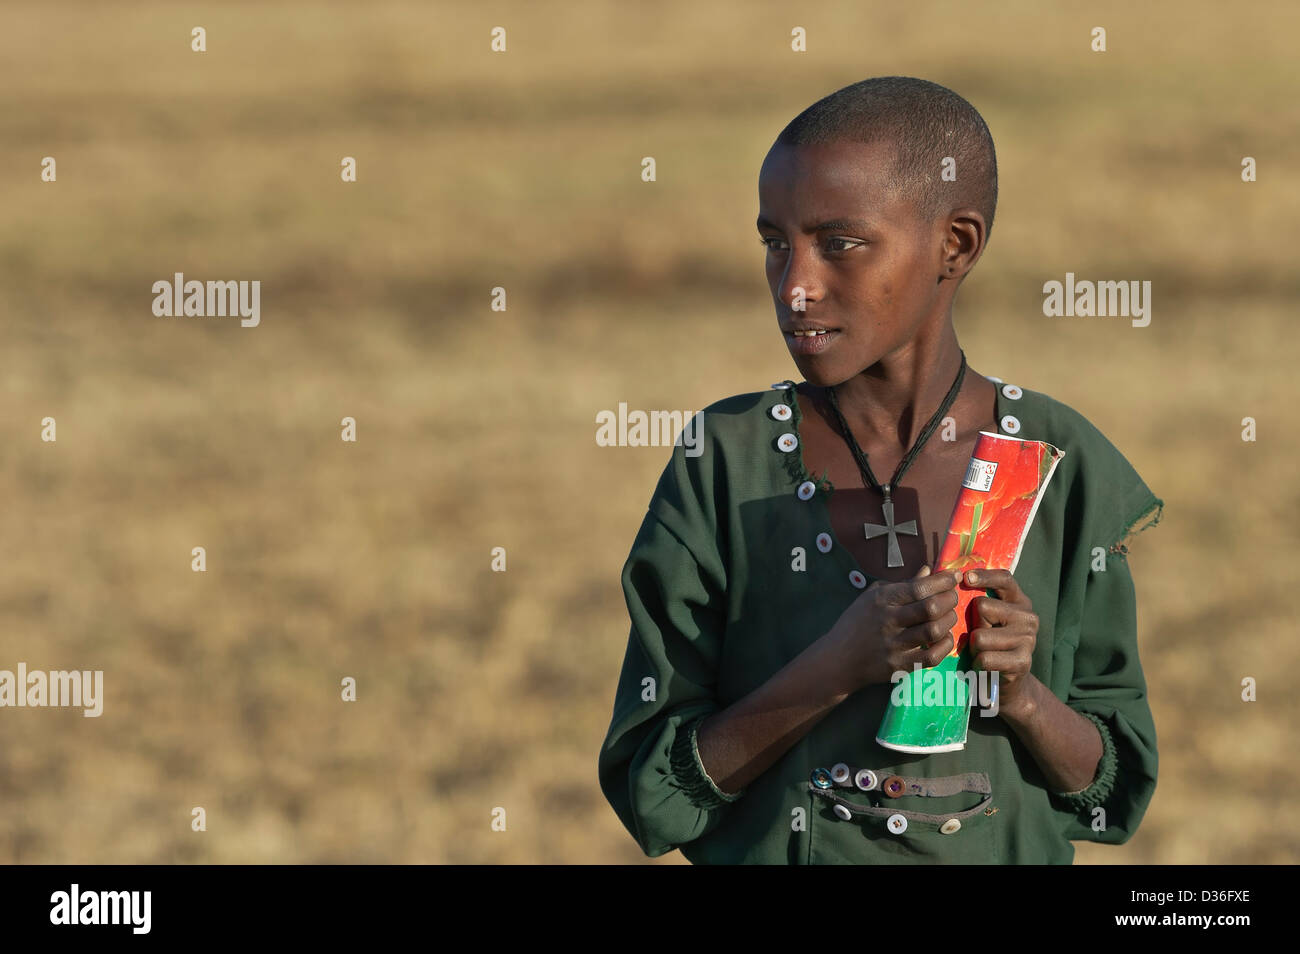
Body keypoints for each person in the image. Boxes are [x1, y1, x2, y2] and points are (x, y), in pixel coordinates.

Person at [597, 76, 1162, 864]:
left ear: (954, 245)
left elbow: (1109, 791)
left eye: (839, 243)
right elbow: (654, 791)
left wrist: (1025, 697)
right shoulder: (727, 458)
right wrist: (836, 666)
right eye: (774, 243)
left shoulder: (1052, 459)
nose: (795, 285)